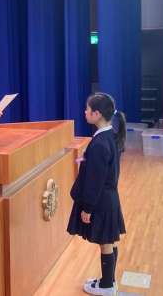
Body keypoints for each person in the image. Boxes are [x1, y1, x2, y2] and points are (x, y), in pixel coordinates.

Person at [67, 92, 126, 296]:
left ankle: (107, 286)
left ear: (97, 114)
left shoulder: (100, 143)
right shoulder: (109, 136)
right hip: (109, 198)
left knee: (106, 243)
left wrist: (88, 208)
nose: (85, 112)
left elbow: (95, 181)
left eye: (88, 109)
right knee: (109, 240)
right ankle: (108, 281)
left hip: (101, 201)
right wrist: (85, 160)